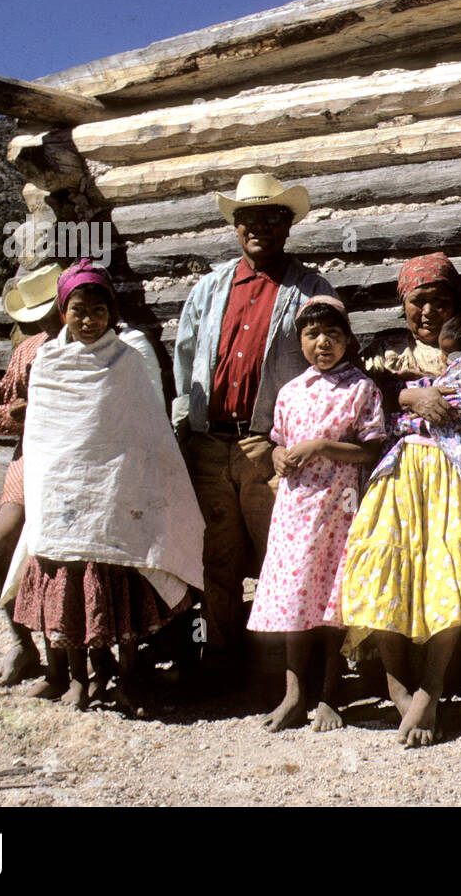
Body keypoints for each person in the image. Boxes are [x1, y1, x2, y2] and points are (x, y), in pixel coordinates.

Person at [341, 254, 461, 747]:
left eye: (439, 302)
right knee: (380, 558)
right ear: (402, 304)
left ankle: (432, 685)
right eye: (416, 302)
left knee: (452, 562)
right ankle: (396, 683)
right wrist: (409, 398)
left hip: (459, 473)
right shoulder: (384, 354)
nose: (427, 312)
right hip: (399, 470)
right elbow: (360, 398)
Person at [8, 260, 204, 713]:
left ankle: (131, 677)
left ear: (111, 313)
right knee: (70, 582)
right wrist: (50, 485)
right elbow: (42, 436)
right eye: (79, 309)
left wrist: (131, 480)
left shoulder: (127, 362)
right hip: (62, 491)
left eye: (99, 309)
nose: (89, 319)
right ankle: (77, 677)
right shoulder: (48, 365)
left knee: (119, 575)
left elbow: (144, 431)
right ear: (63, 312)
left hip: (114, 492)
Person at [172, 173, 337, 679]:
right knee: (214, 560)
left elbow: (328, 361)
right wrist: (187, 424)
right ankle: (220, 661)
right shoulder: (211, 287)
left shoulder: (309, 289)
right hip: (208, 442)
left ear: (287, 227)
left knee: (278, 559)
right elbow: (185, 357)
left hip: (267, 446)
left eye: (271, 218)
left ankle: (275, 672)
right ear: (236, 226)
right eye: (249, 219)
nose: (259, 227)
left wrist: (278, 438)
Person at [251, 297, 385, 733]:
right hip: (294, 511)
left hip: (338, 508)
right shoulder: (291, 391)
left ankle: (330, 692)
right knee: (295, 596)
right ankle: (294, 694)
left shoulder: (360, 389)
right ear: (300, 341)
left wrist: (323, 447)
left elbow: (370, 448)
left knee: (330, 599)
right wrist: (276, 456)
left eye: (333, 334)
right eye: (312, 335)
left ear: (348, 339)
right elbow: (277, 441)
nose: (323, 343)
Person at [0, 263, 65, 687]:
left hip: (74, 458)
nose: (48, 324)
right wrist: (16, 415)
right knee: (0, 542)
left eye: (53, 313)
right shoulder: (27, 351)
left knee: (56, 551)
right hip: (30, 455)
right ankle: (22, 643)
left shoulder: (93, 343)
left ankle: (67, 654)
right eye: (39, 318)